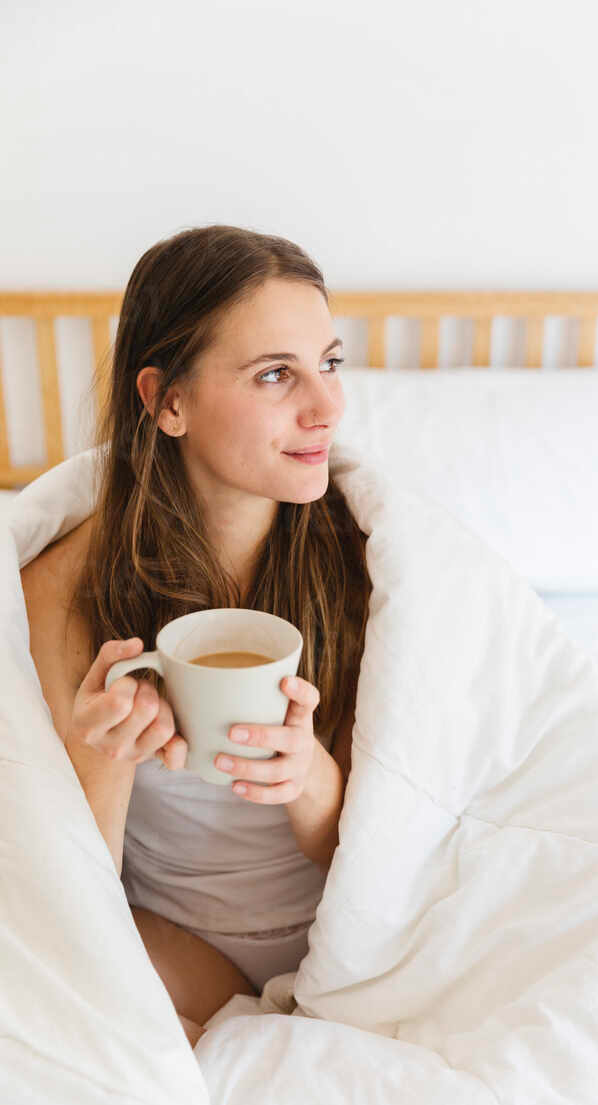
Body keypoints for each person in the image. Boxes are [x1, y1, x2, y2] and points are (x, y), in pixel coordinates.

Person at [20, 225, 372, 1049]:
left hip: (350, 940)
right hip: (167, 942)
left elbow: (395, 843)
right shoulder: (64, 589)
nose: (326, 408)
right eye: (275, 373)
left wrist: (307, 775)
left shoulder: (367, 568)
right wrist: (105, 756)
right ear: (166, 401)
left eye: (328, 363)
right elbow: (65, 890)